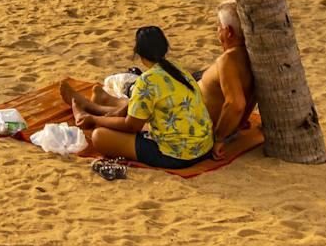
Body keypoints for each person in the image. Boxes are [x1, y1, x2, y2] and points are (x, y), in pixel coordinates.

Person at [61, 26, 214, 169]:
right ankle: (95, 107)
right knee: (134, 111)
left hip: (178, 155)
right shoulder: (177, 69)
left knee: (99, 136)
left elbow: (132, 126)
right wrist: (116, 114)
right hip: (204, 147)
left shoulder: (147, 80)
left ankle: (89, 112)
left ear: (139, 53)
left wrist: (95, 120)